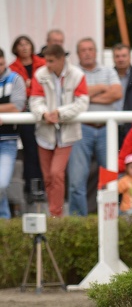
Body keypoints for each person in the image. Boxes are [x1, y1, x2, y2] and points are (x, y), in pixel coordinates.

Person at [30, 44, 89, 217]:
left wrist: (59, 114)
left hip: (68, 133)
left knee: (56, 174)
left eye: (51, 61)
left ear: (62, 58)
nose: (47, 64)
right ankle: (55, 213)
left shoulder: (77, 75)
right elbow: (35, 101)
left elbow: (82, 102)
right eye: (46, 60)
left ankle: (57, 215)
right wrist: (44, 114)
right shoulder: (40, 74)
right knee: (48, 177)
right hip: (45, 132)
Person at [68, 37, 122, 216]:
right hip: (82, 128)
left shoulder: (108, 71)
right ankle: (79, 223)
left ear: (96, 52)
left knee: (110, 176)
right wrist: (101, 87)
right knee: (77, 180)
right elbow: (73, 95)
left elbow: (117, 93)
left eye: (90, 49)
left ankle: (111, 219)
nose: (87, 53)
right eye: (83, 50)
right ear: (78, 54)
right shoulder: (73, 73)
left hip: (107, 128)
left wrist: (87, 96)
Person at [8, 35, 46, 204]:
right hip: (24, 114)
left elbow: (45, 87)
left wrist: (31, 86)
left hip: (43, 112)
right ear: (15, 49)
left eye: (27, 44)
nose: (24, 47)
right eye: (20, 45)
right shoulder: (11, 69)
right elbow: (16, 94)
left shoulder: (43, 64)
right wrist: (27, 87)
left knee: (43, 150)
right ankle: (31, 188)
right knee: (30, 151)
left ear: (32, 46)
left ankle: (41, 187)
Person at [0, 49, 27, 218]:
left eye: (1, 64)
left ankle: (4, 220)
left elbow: (17, 106)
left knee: (1, 184)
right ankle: (4, 222)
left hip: (7, 140)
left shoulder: (15, 78)